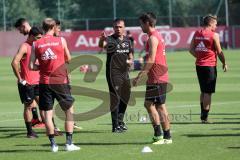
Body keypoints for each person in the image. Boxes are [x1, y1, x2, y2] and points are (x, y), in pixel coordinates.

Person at [30, 18, 80, 152]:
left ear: (43, 28)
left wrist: (43, 66)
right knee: (69, 111)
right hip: (60, 81)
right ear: (53, 28)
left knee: (47, 114)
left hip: (44, 82)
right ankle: (69, 144)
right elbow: (69, 59)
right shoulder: (61, 40)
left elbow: (31, 66)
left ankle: (53, 145)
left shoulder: (36, 43)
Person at [133, 12, 172, 144]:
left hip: (157, 77)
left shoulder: (153, 38)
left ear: (147, 23)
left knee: (156, 105)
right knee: (153, 104)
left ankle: (162, 136)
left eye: (141, 24)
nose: (140, 27)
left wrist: (139, 76)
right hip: (157, 77)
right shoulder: (156, 35)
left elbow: (151, 59)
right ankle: (163, 135)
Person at [189, 14, 227, 123]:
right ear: (210, 24)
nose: (216, 25)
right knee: (208, 93)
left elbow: (191, 50)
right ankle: (204, 118)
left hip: (199, 66)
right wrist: (224, 62)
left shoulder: (196, 33)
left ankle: (203, 116)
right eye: (215, 23)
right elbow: (219, 52)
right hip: (209, 66)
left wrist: (200, 56)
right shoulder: (214, 35)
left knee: (203, 91)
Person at [98, 19, 134, 133]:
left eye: (120, 27)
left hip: (125, 73)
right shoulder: (110, 39)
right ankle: (115, 125)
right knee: (116, 98)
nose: (118, 29)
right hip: (113, 73)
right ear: (113, 28)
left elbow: (131, 56)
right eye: (116, 27)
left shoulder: (128, 41)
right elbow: (101, 46)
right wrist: (101, 39)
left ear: (124, 27)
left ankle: (120, 121)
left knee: (126, 97)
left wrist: (130, 61)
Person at [11, 27, 43, 138]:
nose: (39, 40)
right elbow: (14, 62)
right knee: (28, 107)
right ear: (31, 36)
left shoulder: (37, 45)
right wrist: (20, 79)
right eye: (38, 38)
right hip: (27, 83)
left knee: (44, 105)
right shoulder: (24, 46)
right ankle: (30, 132)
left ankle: (52, 128)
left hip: (38, 82)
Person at [54, 19, 82, 130]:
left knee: (69, 100)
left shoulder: (61, 40)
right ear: (52, 28)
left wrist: (68, 74)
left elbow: (66, 60)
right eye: (58, 28)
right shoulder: (56, 41)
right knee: (49, 106)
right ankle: (54, 127)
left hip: (63, 76)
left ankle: (72, 122)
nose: (60, 30)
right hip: (54, 78)